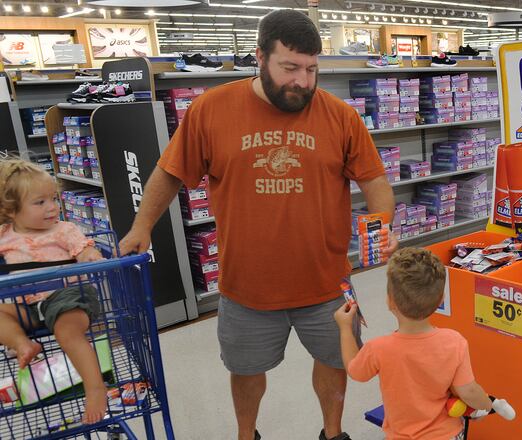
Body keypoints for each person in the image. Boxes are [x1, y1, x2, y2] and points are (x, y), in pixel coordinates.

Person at [118, 9, 396, 440]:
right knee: (246, 371)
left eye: (311, 70)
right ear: (259, 58)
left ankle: (333, 432)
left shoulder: (340, 116)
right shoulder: (211, 109)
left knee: (335, 361)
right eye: (290, 68)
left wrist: (380, 227)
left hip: (325, 281)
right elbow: (170, 172)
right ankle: (247, 434)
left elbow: (375, 180)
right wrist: (141, 227)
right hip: (246, 286)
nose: (302, 81)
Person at [335, 248, 492, 440]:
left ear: (390, 302)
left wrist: (345, 328)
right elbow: (468, 390)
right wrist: (487, 405)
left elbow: (355, 370)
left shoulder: (378, 348)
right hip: (447, 434)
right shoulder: (454, 341)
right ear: (440, 301)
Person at [0, 159, 104, 424]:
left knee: (66, 331)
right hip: (31, 306)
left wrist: (89, 255)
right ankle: (23, 344)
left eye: (53, 199)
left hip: (69, 296)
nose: (52, 208)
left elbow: (83, 249)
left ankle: (95, 388)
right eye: (40, 202)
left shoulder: (63, 230)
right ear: (11, 210)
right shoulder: (4, 235)